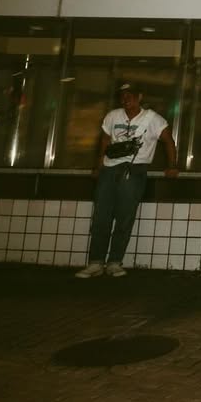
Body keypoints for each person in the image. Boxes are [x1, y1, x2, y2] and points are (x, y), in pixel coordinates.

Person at [76, 82, 178, 278]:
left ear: (139, 97)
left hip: (135, 169)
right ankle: (96, 262)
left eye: (130, 95)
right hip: (109, 169)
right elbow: (105, 141)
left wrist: (172, 165)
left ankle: (114, 262)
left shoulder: (153, 119)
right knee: (101, 216)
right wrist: (98, 166)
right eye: (122, 96)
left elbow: (168, 141)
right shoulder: (113, 116)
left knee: (125, 216)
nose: (125, 99)